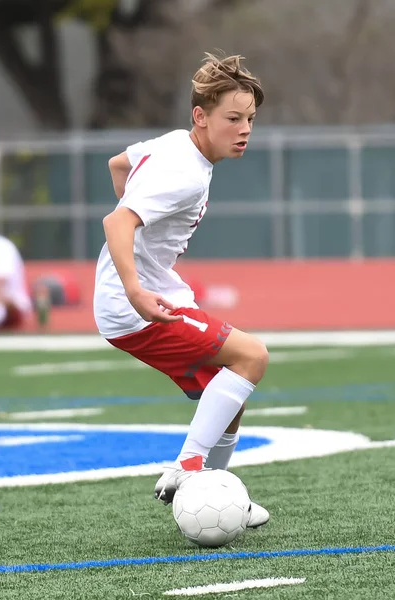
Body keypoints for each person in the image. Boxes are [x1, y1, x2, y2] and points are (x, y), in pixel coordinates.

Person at [94, 52, 270, 528]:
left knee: (228, 394)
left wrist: (142, 240)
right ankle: (190, 468)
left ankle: (212, 488)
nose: (244, 128)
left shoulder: (176, 146)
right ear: (200, 116)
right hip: (137, 305)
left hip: (148, 294)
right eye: (232, 118)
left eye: (250, 118)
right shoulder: (184, 172)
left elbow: (118, 164)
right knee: (251, 356)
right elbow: (117, 220)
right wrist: (135, 286)